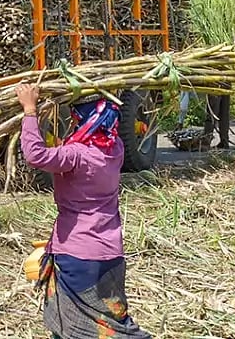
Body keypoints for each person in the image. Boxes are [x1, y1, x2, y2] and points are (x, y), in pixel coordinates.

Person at [15, 83, 151, 339]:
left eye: (77, 119)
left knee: (79, 328)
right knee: (112, 319)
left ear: (86, 121)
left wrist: (30, 111)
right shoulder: (116, 150)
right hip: (110, 253)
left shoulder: (76, 155)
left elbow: (35, 155)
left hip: (78, 255)